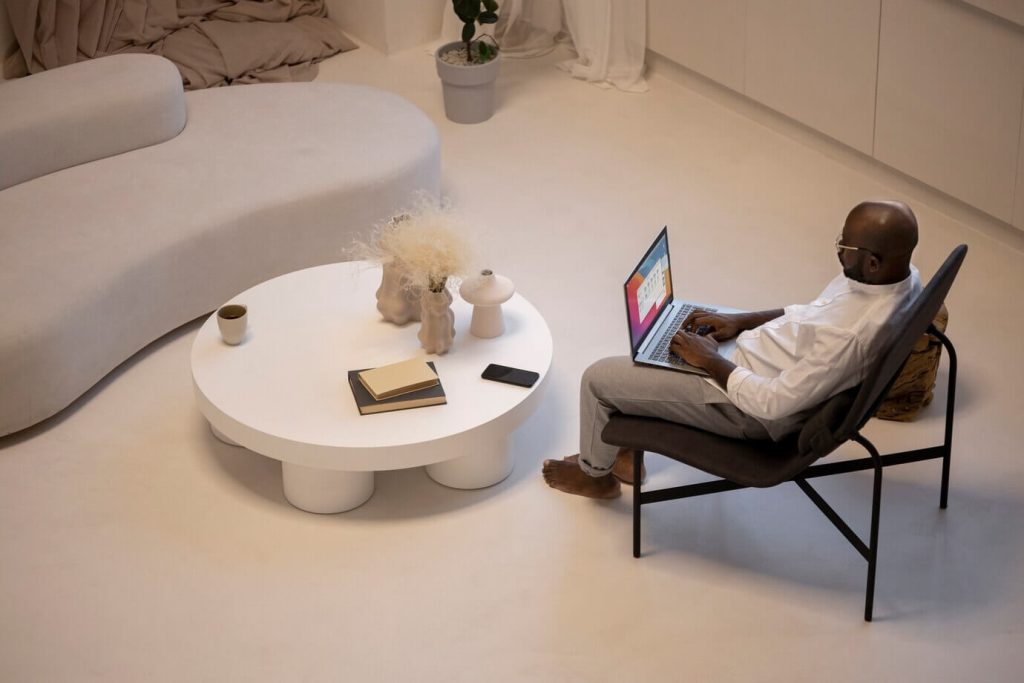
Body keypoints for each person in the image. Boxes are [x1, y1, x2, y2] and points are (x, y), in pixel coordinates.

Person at [543, 200, 922, 499]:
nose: (838, 253)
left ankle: (596, 477)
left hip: (746, 406)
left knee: (598, 378)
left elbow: (773, 404)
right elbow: (812, 315)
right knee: (651, 349)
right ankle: (625, 453)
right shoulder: (901, 279)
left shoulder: (850, 337)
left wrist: (708, 361)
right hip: (749, 359)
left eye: (845, 248)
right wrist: (742, 320)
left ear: (872, 262)